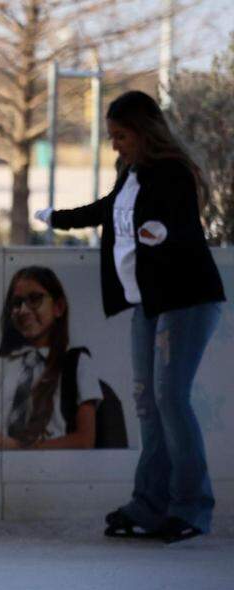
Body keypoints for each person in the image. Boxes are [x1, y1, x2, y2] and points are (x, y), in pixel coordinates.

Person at [37, 90, 225, 543]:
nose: (115, 144)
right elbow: (107, 211)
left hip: (185, 301)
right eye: (112, 137)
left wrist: (159, 233)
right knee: (147, 402)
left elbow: (179, 225)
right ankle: (149, 503)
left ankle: (192, 507)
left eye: (121, 136)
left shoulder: (173, 171)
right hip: (147, 304)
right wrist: (58, 217)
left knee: (171, 399)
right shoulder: (131, 173)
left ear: (144, 132)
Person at [0, 267, 104, 451]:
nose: (23, 310)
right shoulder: (4, 364)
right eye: (16, 303)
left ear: (58, 307)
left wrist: (19, 448)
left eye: (35, 299)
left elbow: (84, 440)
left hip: (51, 472)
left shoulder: (76, 363)